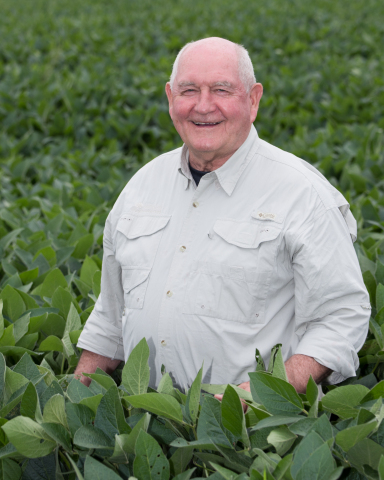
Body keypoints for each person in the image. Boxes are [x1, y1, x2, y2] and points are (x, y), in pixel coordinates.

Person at [75, 37, 370, 397]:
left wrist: (264, 392)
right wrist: (77, 398)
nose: (203, 106)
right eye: (188, 90)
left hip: (252, 436)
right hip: (145, 423)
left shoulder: (304, 194)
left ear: (253, 100)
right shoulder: (141, 187)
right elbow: (110, 317)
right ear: (171, 99)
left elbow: (341, 318)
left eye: (220, 89)